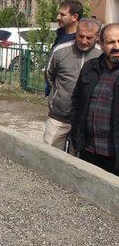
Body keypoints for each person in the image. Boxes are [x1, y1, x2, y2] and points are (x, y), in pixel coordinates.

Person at [44, 18, 102, 151]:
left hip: (84, 120)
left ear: (97, 37)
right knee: (49, 154)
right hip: (58, 116)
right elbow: (49, 76)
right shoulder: (60, 51)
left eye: (89, 37)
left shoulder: (101, 54)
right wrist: (57, 97)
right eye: (80, 36)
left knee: (77, 160)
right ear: (76, 32)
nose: (83, 41)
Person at [70, 23, 119, 175]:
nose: (116, 46)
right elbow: (76, 100)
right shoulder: (90, 67)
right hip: (88, 150)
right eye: (111, 42)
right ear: (101, 44)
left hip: (115, 155)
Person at [45, 0, 85, 96]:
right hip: (56, 96)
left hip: (72, 97)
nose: (58, 17)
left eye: (62, 15)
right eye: (59, 14)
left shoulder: (82, 41)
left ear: (74, 17)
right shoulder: (60, 34)